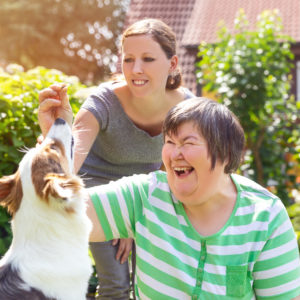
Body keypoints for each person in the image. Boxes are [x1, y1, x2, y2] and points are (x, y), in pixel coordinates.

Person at [39, 96, 300, 299]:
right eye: (170, 142)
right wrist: (56, 141)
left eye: (187, 143)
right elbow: (57, 212)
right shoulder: (145, 196)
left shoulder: (265, 218)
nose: (175, 154)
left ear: (226, 155)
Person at [38, 18, 195, 299]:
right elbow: (72, 160)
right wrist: (55, 135)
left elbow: (175, 166)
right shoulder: (103, 102)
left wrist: (137, 216)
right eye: (128, 59)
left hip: (149, 190)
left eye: (148, 59)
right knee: (118, 282)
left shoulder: (185, 107)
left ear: (172, 64)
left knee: (157, 282)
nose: (136, 69)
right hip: (96, 188)